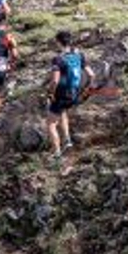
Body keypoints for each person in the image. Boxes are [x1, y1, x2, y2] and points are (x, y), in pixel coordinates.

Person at [45, 30, 95, 162]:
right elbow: (91, 74)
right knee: (63, 112)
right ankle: (67, 141)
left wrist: (50, 93)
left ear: (58, 42)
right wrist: (86, 89)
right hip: (74, 92)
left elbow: (55, 80)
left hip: (61, 93)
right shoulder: (79, 55)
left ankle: (57, 154)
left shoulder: (58, 58)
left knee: (51, 124)